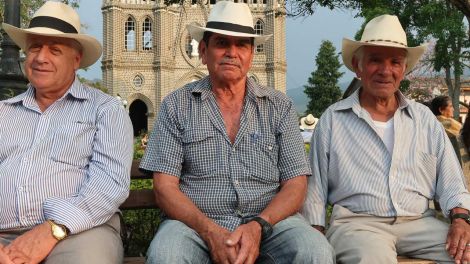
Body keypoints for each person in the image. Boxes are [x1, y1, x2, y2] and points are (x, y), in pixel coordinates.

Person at [140, 1, 334, 263]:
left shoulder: (279, 107)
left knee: (315, 251)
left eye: (241, 44)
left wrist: (258, 226)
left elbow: (295, 184)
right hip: (193, 228)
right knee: (166, 255)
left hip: (270, 226)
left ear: (251, 55)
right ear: (203, 51)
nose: (232, 52)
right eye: (222, 43)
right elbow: (165, 187)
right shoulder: (176, 105)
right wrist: (210, 231)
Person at [301, 14, 470, 263]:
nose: (385, 70)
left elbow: (451, 181)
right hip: (357, 226)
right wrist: (315, 233)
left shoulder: (423, 119)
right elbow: (315, 189)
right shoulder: (334, 119)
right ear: (358, 66)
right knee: (373, 258)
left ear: (404, 69)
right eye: (375, 60)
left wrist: (461, 219)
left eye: (395, 62)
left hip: (419, 223)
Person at [0, 2, 133, 264]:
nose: (40, 57)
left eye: (55, 49)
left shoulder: (105, 110)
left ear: (76, 60)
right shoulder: (3, 113)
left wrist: (53, 229)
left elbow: (109, 184)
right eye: (35, 47)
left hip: (81, 233)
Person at [431, 95, 463, 164]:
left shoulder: (430, 124)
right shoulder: (450, 124)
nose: (453, 109)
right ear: (441, 110)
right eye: (451, 106)